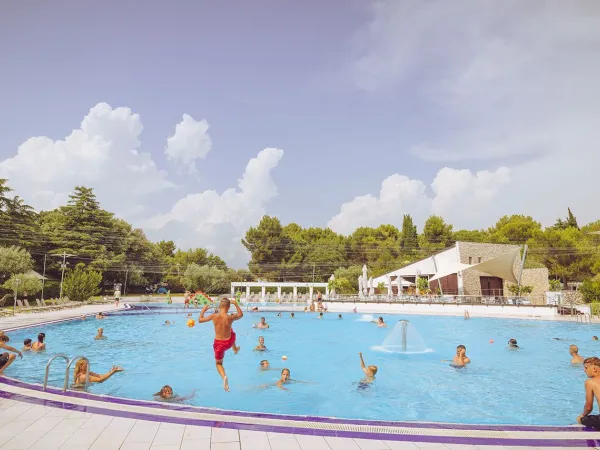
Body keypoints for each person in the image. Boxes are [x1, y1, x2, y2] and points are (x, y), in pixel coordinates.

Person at [198, 297, 243, 392]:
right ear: (228, 307)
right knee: (232, 332)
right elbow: (240, 315)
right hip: (229, 342)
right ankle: (234, 349)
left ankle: (224, 377)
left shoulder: (214, 316)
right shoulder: (230, 317)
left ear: (219, 306)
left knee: (218, 364)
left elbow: (200, 320)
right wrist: (236, 304)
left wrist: (203, 310)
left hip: (219, 345)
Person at [577, 357, 600, 429]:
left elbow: (588, 407)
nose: (584, 370)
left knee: (581, 419)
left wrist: (582, 415)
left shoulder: (590, 382)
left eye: (586, 368)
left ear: (594, 369)